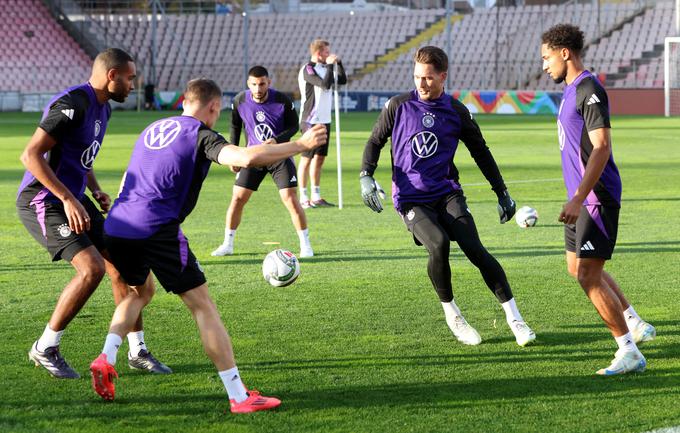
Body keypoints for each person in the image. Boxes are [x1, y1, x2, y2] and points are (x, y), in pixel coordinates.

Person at [88, 78, 326, 413]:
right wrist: (300, 146)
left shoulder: (153, 128)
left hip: (117, 225)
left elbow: (142, 174)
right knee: (202, 305)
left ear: (185, 99)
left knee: (139, 293)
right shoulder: (201, 133)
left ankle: (106, 357)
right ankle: (239, 397)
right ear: (214, 107)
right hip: (156, 228)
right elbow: (245, 156)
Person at [360, 46, 536, 347]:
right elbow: (375, 141)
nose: (421, 83)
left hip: (446, 193)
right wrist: (366, 175)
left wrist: (502, 192)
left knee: (474, 249)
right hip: (411, 198)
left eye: (428, 78)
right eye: (417, 77)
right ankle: (453, 314)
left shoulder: (456, 111)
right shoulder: (398, 105)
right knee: (438, 244)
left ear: (443, 76)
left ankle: (515, 318)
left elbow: (481, 152)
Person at [17, 48, 170, 379]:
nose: (133, 85)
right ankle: (45, 346)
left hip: (75, 195)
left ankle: (137, 350)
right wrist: (68, 198)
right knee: (92, 269)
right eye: (130, 78)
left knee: (123, 266)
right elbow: (30, 155)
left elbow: (79, 157)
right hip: (43, 198)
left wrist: (95, 188)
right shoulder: (73, 103)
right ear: (112, 75)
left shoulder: (103, 109)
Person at [541, 24, 655, 375]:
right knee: (579, 268)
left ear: (565, 53)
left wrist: (578, 197)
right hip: (581, 198)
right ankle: (633, 321)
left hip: (595, 198)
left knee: (589, 274)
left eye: (547, 58)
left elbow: (602, 146)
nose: (544, 66)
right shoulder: (571, 90)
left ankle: (628, 350)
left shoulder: (589, 88)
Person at [211, 66, 313, 258]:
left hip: (279, 155)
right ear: (248, 84)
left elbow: (293, 127)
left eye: (262, 84)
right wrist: (234, 152)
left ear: (269, 83)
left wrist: (276, 140)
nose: (258, 88)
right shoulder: (240, 100)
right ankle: (228, 244)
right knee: (237, 198)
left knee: (290, 199)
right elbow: (235, 125)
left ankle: (306, 245)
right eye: (254, 84)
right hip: (253, 156)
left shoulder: (282, 100)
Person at [297, 39, 347, 208]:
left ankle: (316, 195)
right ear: (318, 53)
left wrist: (338, 64)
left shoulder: (326, 68)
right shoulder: (308, 68)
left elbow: (342, 81)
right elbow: (325, 85)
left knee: (319, 159)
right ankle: (303, 197)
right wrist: (331, 65)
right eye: (326, 52)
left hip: (325, 119)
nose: (329, 54)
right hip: (310, 120)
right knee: (307, 158)